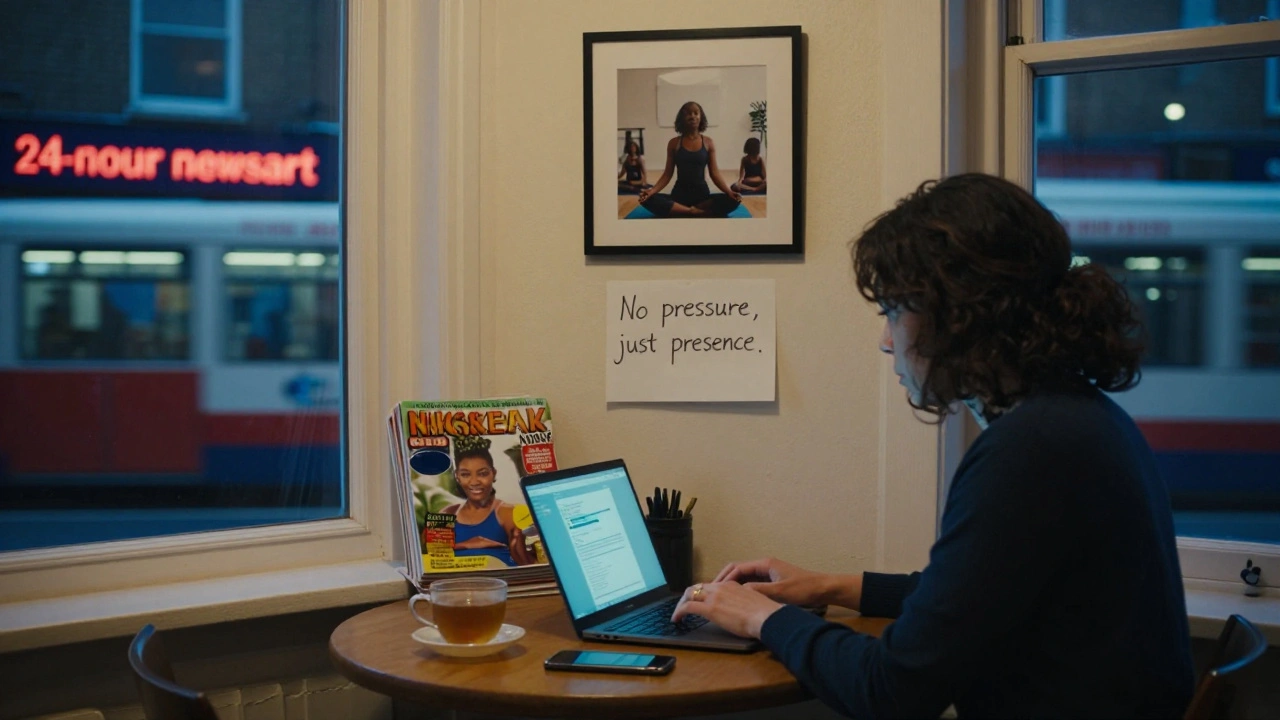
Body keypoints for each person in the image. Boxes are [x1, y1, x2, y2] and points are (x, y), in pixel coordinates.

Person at [672, 173, 1194, 718]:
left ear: (960, 313)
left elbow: (891, 692)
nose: (885, 341)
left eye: (894, 311)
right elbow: (973, 599)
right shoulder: (1076, 419)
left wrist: (761, 617)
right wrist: (826, 585)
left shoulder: (1029, 451)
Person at [638, 101, 741, 217]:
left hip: (703, 198)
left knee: (734, 200)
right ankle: (693, 212)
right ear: (682, 118)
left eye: (696, 113)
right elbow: (667, 174)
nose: (692, 116)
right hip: (679, 196)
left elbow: (714, 173)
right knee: (646, 199)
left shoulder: (708, 142)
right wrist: (651, 191)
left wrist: (729, 192)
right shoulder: (674, 143)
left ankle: (685, 210)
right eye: (688, 113)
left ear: (701, 117)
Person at [441, 444, 536, 566]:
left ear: (494, 474)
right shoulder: (446, 514)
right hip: (456, 582)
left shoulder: (508, 513)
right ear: (457, 477)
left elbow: (528, 564)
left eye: (482, 474)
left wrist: (517, 548)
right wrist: (469, 544)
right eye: (465, 474)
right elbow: (435, 558)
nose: (474, 482)